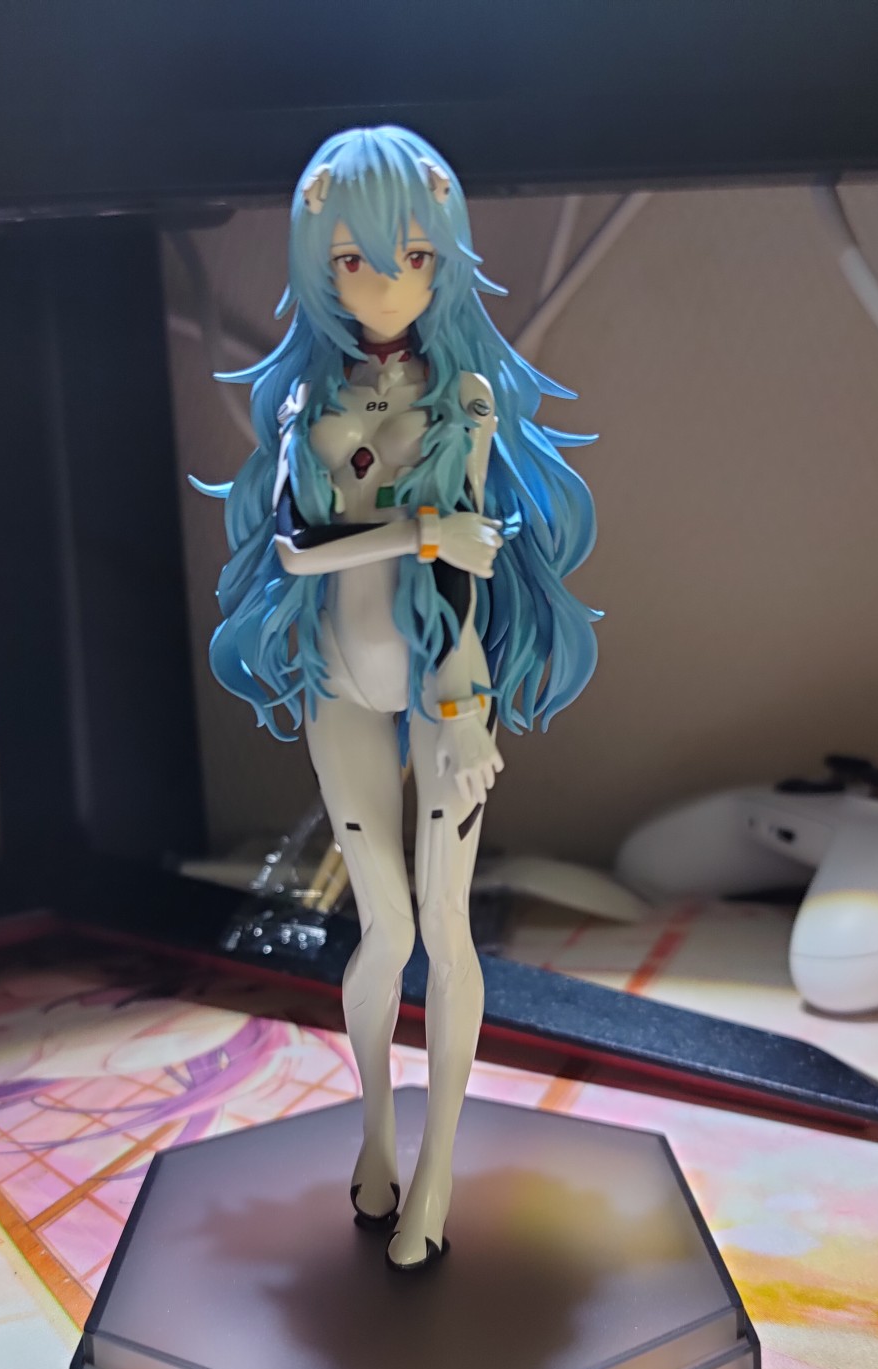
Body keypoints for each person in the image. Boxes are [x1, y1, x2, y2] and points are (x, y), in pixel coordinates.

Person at [202, 125, 598, 1268]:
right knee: (382, 927)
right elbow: (296, 551)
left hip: (438, 681)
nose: (386, 286)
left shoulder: (463, 396)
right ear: (317, 260)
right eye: (354, 261)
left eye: (415, 257)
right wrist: (423, 528)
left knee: (447, 929)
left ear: (446, 255)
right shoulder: (304, 403)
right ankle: (376, 1131)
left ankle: (437, 1172)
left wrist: (467, 707)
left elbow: (468, 574)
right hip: (338, 677)